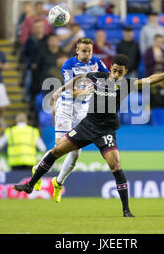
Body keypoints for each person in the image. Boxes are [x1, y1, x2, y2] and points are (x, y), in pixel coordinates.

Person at [14, 55, 164, 217]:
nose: (116, 74)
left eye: (120, 72)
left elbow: (150, 79)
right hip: (87, 126)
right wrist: (62, 90)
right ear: (111, 68)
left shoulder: (126, 85)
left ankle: (126, 210)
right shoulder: (96, 77)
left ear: (125, 72)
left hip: (106, 131)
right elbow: (79, 77)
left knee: (115, 166)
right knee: (56, 150)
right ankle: (30, 185)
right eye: (115, 70)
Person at [39, 37, 109, 203]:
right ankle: (39, 168)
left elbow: (109, 78)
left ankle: (58, 182)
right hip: (67, 106)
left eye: (90, 51)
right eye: (84, 50)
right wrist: (85, 92)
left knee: (76, 151)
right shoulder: (69, 65)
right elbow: (71, 90)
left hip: (83, 109)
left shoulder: (97, 62)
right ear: (77, 50)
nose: (87, 54)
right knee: (59, 146)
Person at [21, 20, 49, 102]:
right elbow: (25, 55)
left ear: (43, 27)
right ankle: (28, 98)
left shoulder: (47, 39)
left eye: (40, 27)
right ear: (33, 29)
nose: (38, 29)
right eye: (36, 27)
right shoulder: (30, 41)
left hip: (45, 67)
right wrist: (30, 63)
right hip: (33, 68)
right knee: (28, 81)